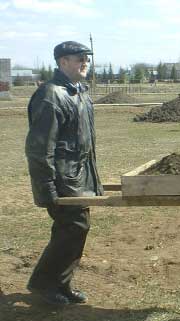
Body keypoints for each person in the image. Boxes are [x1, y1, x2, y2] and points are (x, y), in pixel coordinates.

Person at [25, 41, 103, 305]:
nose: (85, 62)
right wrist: (46, 186)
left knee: (73, 228)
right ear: (62, 62)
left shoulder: (78, 91)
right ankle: (45, 284)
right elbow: (39, 147)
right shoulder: (51, 95)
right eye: (79, 58)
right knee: (73, 226)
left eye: (86, 58)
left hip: (77, 176)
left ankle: (59, 283)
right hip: (61, 178)